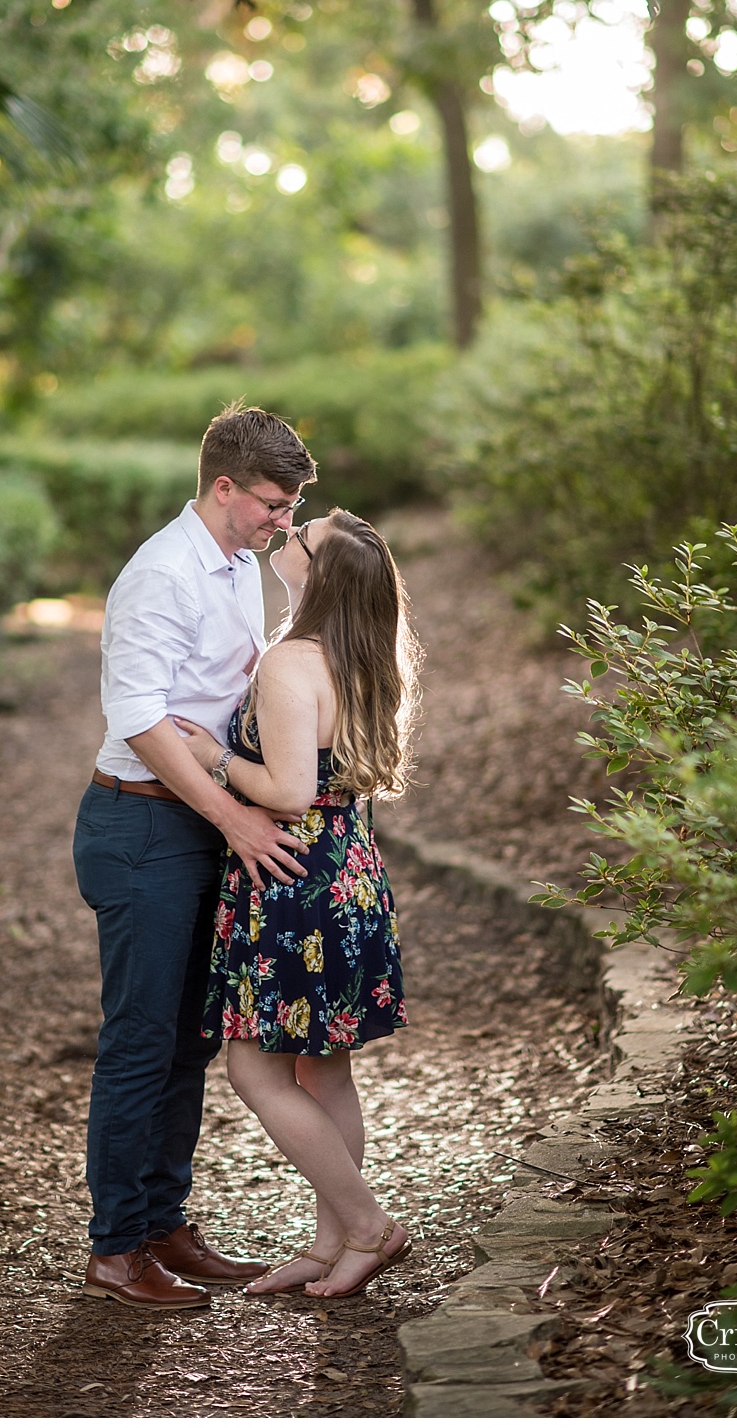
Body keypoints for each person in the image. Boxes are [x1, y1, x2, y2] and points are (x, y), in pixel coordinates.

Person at [73, 404, 317, 1311]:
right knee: (140, 1043)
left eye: (290, 507)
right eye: (270, 502)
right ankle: (114, 1249)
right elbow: (137, 717)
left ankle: (163, 1224)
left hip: (195, 825)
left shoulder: (239, 561)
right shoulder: (161, 574)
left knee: (190, 1040)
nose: (281, 520)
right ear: (222, 487)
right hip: (140, 829)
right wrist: (238, 818)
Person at [174, 507, 422, 1299]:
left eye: (302, 538)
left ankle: (369, 1226)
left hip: (293, 887)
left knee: (254, 1069)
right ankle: (328, 1245)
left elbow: (286, 791)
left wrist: (212, 755)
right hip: (346, 879)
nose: (290, 536)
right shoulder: (363, 660)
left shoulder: (291, 664)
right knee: (325, 1073)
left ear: (317, 577)